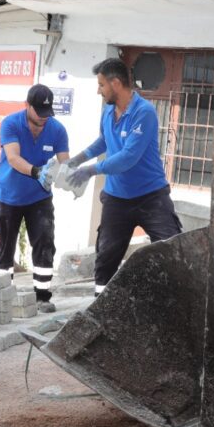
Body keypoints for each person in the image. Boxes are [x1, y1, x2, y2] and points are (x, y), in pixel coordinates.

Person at [67, 58, 182, 296]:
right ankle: (100, 305)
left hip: (151, 197)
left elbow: (129, 157)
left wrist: (91, 170)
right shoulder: (108, 111)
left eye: (101, 85)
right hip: (116, 199)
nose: (98, 90)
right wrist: (78, 159)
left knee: (172, 251)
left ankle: (171, 304)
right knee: (106, 256)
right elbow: (104, 141)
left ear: (116, 83)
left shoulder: (144, 112)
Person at [0, 84, 70, 313]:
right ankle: (2, 295)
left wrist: (72, 178)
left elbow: (65, 161)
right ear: (27, 106)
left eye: (47, 113)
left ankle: (43, 296)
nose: (43, 119)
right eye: (39, 113)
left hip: (40, 197)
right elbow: (14, 158)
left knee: (45, 242)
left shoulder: (57, 130)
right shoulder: (11, 124)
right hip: (9, 195)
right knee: (6, 246)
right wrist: (37, 172)